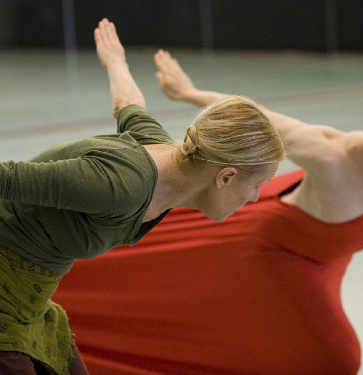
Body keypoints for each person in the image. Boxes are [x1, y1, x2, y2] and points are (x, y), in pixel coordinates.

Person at [53, 26, 363, 374]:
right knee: (335, 358)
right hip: (275, 249)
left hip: (326, 255)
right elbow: (259, 118)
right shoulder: (332, 157)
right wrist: (190, 94)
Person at [0, 18, 284, 375]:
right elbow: (7, 179)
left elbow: (128, 103)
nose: (257, 197)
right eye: (256, 185)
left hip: (30, 298)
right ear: (225, 176)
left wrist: (116, 61)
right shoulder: (121, 185)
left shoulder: (164, 154)